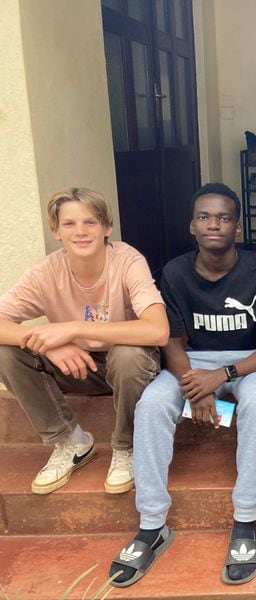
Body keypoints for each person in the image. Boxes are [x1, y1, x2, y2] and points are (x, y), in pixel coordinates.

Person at [109, 183, 256, 587]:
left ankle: (244, 520)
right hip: (192, 362)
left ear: (237, 227)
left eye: (223, 218)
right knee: (151, 404)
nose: (213, 225)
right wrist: (191, 387)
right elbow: (170, 340)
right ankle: (152, 525)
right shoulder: (176, 272)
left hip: (248, 362)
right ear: (192, 225)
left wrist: (219, 379)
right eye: (205, 217)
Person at [0, 187, 167, 496]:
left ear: (107, 228)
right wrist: (48, 342)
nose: (81, 232)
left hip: (129, 370)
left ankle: (126, 448)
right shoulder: (44, 272)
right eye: (69, 224)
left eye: (90, 222)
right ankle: (71, 441)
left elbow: (158, 330)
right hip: (76, 367)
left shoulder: (127, 260)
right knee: (6, 353)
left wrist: (74, 329)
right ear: (56, 231)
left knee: (128, 354)